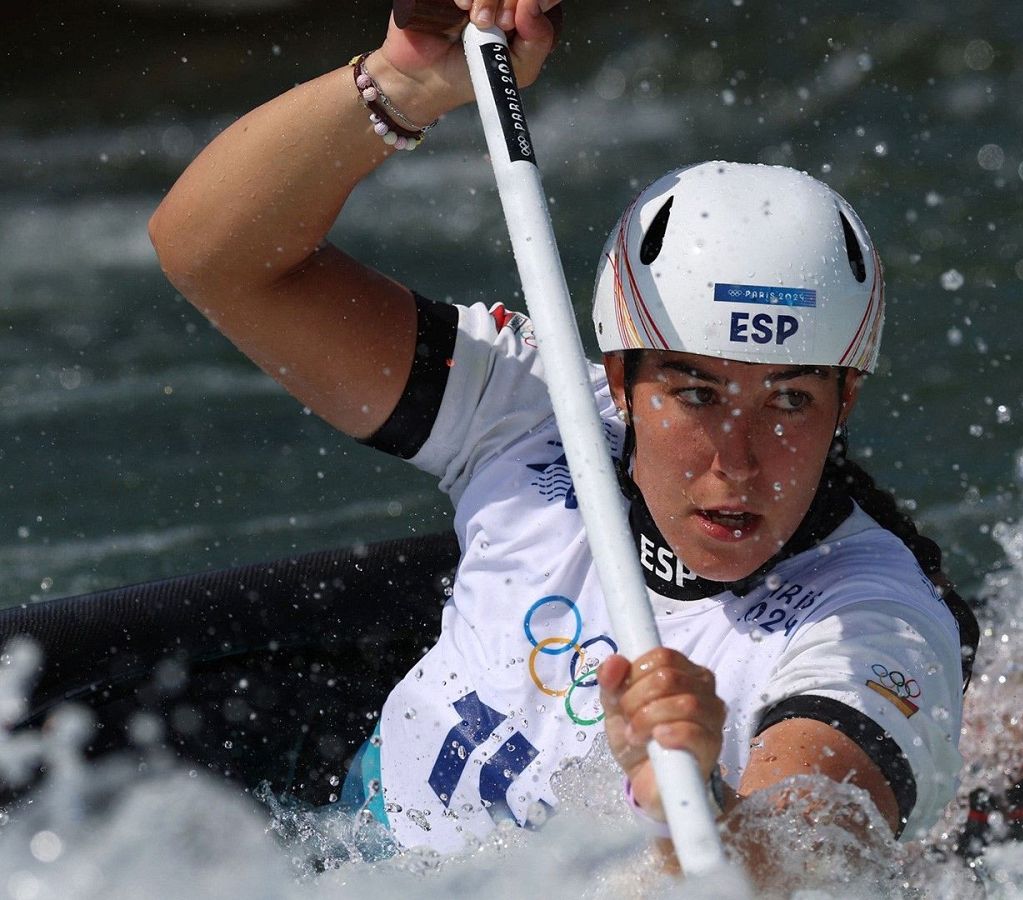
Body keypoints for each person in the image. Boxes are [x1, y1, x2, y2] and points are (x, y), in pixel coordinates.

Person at [147, 0, 977, 866]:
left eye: (790, 402)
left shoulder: (873, 619)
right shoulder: (530, 409)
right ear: (620, 380)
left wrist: (707, 806)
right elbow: (213, 256)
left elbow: (815, 860)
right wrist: (404, 87)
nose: (738, 459)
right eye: (696, 394)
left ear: (844, 403)